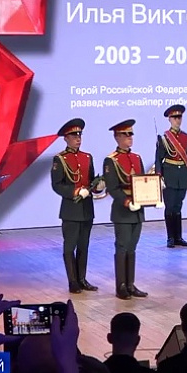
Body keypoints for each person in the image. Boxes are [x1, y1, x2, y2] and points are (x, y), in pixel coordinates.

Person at [50, 118, 105, 294]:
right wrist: (75, 191)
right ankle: (72, 281)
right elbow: (57, 185)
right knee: (69, 247)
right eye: (74, 136)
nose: (78, 138)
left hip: (86, 209)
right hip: (71, 210)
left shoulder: (87, 157)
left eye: (79, 135)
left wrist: (98, 187)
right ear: (66, 138)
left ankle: (82, 279)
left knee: (83, 246)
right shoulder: (60, 159)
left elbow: (90, 181)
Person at [103, 119, 150, 300]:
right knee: (122, 247)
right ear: (117, 137)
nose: (130, 137)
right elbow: (113, 188)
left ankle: (131, 284)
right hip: (123, 210)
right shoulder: (111, 160)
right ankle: (121, 286)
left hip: (137, 210)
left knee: (132, 247)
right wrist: (126, 201)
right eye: (126, 134)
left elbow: (141, 182)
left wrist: (153, 193)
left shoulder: (136, 158)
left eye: (131, 134)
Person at [155, 104, 187, 248]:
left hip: (182, 175)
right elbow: (158, 159)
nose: (177, 120)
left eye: (179, 117)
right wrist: (159, 176)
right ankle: (170, 237)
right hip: (169, 175)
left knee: (178, 207)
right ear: (169, 119)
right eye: (175, 117)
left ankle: (178, 237)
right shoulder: (164, 139)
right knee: (170, 207)